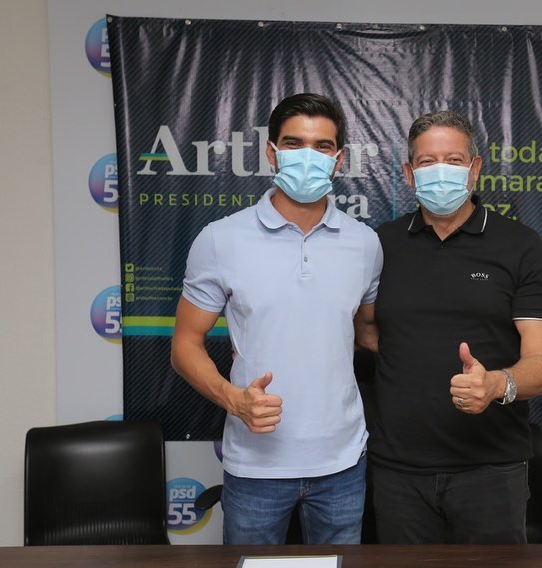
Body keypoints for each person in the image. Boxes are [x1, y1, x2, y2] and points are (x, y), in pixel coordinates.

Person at [171, 93, 383, 545]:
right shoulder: (221, 240)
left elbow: (369, 335)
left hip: (343, 463)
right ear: (271, 152)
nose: (309, 156)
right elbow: (185, 344)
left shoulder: (365, 245)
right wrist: (234, 400)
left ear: (339, 159)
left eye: (323, 146)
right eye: (294, 143)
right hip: (256, 465)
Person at [362, 110, 542, 544]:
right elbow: (365, 332)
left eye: (453, 160)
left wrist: (495, 384)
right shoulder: (379, 244)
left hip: (490, 471)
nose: (440, 171)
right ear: (409, 174)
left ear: (474, 169)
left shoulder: (519, 245)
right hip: (399, 475)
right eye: (427, 162)